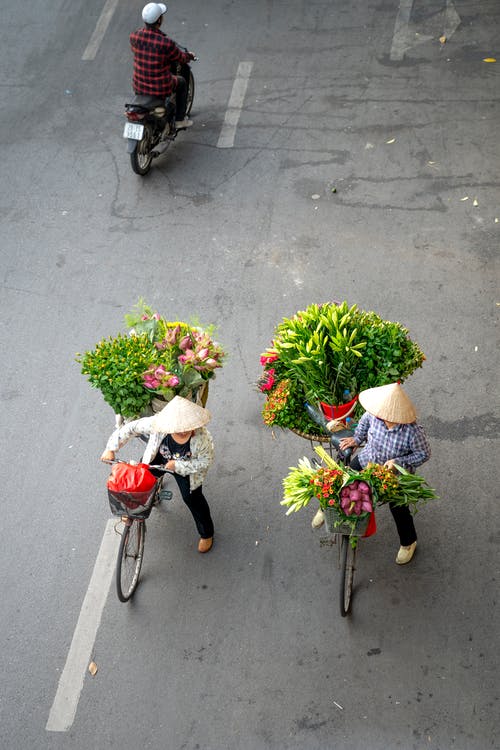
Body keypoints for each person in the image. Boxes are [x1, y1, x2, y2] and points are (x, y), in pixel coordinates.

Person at [312, 382, 431, 565]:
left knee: (399, 509)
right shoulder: (374, 415)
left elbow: (424, 454)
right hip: (367, 459)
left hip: (391, 476)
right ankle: (324, 508)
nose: (382, 417)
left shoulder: (412, 432)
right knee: (340, 481)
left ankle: (408, 543)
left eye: (388, 416)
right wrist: (356, 439)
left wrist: (399, 462)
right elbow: (363, 425)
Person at [101, 396, 215, 553]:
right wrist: (111, 448)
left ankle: (207, 533)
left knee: (192, 499)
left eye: (186, 428)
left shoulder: (202, 438)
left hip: (185, 468)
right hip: (158, 458)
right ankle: (131, 512)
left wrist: (177, 466)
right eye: (177, 428)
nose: (182, 432)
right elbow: (130, 428)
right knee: (137, 481)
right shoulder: (157, 424)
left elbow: (205, 462)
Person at [130, 3, 196, 129]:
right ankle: (180, 120)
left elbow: (135, 49)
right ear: (159, 20)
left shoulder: (134, 36)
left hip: (139, 84)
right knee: (181, 82)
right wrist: (190, 56)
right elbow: (181, 58)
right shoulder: (165, 43)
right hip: (160, 85)